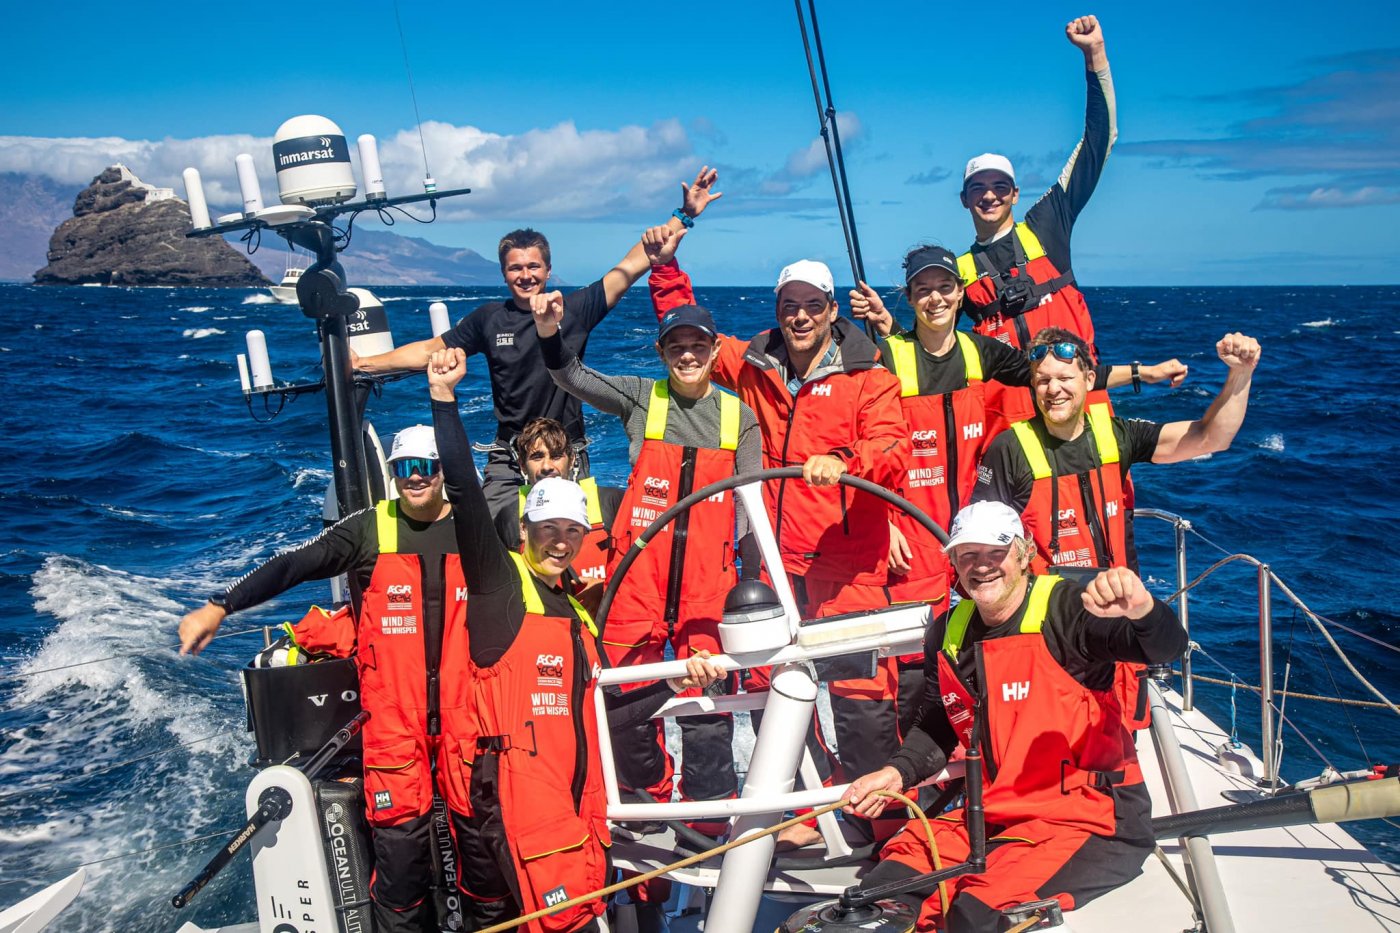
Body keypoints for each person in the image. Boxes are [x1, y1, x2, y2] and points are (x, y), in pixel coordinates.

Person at [426, 347, 725, 932]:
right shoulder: (500, 587)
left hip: (579, 817)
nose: (561, 542)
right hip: (523, 816)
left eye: (571, 531)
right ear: (524, 527)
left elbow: (598, 706)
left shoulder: (578, 617)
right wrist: (444, 400)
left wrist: (677, 680)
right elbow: (462, 491)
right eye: (548, 531)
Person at [647, 218, 911, 839]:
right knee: (773, 689)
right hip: (773, 560)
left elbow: (893, 448)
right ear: (777, 310)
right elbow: (695, 339)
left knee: (863, 693)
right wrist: (665, 268)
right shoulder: (754, 365)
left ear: (830, 310)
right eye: (789, 306)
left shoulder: (869, 375)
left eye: (811, 306)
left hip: (849, 564)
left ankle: (884, 825)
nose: (799, 317)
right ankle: (801, 816)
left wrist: (844, 463)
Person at [849, 245, 1185, 731]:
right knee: (916, 666)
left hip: (976, 532)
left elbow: (1054, 376)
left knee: (978, 652)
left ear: (960, 293)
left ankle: (985, 758)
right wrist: (881, 520)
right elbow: (860, 442)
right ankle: (922, 778)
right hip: (912, 539)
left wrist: (1142, 374)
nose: (935, 298)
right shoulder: (886, 358)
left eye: (945, 287)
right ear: (908, 296)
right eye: (922, 290)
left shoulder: (979, 352)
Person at [843, 500, 1187, 931]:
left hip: (1089, 819)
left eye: (996, 553)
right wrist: (898, 773)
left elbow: (1163, 647)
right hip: (993, 816)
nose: (981, 567)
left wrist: (1142, 609)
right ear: (953, 563)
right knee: (873, 900)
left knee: (974, 917)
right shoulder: (947, 631)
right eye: (968, 555)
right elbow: (938, 722)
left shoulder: (1070, 610)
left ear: (1024, 556)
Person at [178, 425, 466, 933]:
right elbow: (294, 564)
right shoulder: (369, 529)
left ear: (445, 470)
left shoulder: (475, 524)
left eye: (427, 467)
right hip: (396, 729)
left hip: (468, 723)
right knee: (399, 869)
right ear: (392, 473)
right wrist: (220, 605)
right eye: (404, 469)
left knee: (480, 860)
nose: (415, 478)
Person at [351, 168, 721, 520]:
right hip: (509, 455)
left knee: (573, 539)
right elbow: (430, 349)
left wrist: (684, 215)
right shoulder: (489, 318)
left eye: (533, 267)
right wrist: (363, 364)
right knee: (495, 534)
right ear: (503, 273)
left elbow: (631, 266)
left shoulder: (574, 309)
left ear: (547, 270)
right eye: (516, 268)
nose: (525, 275)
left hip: (565, 452)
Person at [533, 279, 762, 823]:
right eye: (676, 347)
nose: (688, 355)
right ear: (661, 353)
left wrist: (747, 591)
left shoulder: (740, 418)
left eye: (698, 346)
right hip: (636, 581)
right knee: (622, 702)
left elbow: (750, 513)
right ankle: (647, 802)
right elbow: (571, 375)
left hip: (708, 587)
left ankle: (706, 825)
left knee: (708, 711)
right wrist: (548, 332)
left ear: (714, 351)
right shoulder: (640, 395)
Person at [973, 327, 1261, 573]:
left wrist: (1241, 374)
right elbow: (981, 539)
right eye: (1043, 381)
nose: (1053, 389)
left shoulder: (1117, 435)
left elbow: (1211, 438)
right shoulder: (1008, 449)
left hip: (1118, 609)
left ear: (1089, 380)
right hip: (1047, 619)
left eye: (1065, 378)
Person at [956, 15, 1115, 424]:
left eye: (999, 187)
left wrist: (1094, 56)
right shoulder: (955, 274)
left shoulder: (1048, 225)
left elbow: (1098, 142)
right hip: (1010, 425)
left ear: (1014, 194)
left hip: (1080, 411)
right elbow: (930, 348)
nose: (989, 195)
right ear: (964, 199)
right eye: (978, 188)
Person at [493, 417, 624, 605]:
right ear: (522, 464)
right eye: (537, 457)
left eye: (556, 456)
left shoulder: (611, 502)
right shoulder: (509, 517)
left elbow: (648, 570)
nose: (547, 466)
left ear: (571, 460)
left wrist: (606, 589)